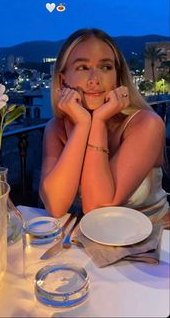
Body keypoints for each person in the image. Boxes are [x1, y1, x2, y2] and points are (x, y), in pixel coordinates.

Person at [39, 28, 169, 221]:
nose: (95, 79)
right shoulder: (56, 128)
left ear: (117, 76)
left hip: (154, 242)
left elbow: (98, 207)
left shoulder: (146, 124)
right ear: (62, 79)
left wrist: (98, 122)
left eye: (106, 67)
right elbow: (55, 205)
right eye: (82, 67)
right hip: (86, 243)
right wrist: (83, 125)